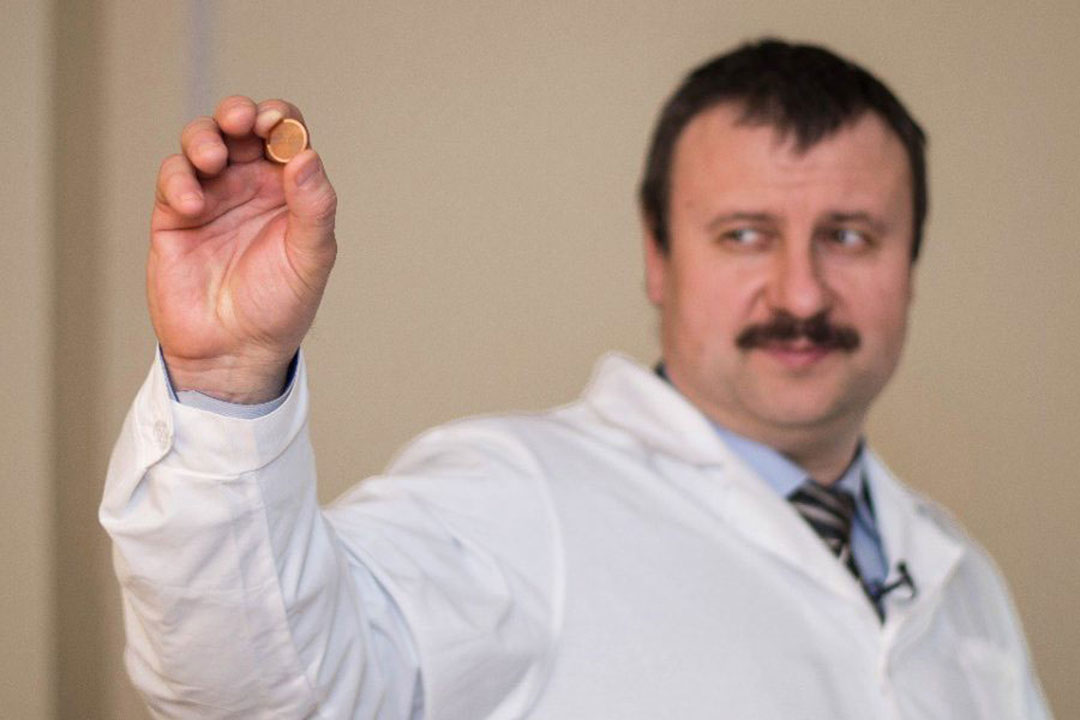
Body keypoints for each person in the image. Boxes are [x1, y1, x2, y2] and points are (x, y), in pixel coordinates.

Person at [101, 38, 1052, 719]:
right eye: (744, 235)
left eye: (849, 236)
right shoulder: (517, 500)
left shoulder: (960, 578)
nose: (800, 292)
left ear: (910, 265)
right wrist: (228, 380)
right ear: (658, 255)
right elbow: (268, 693)